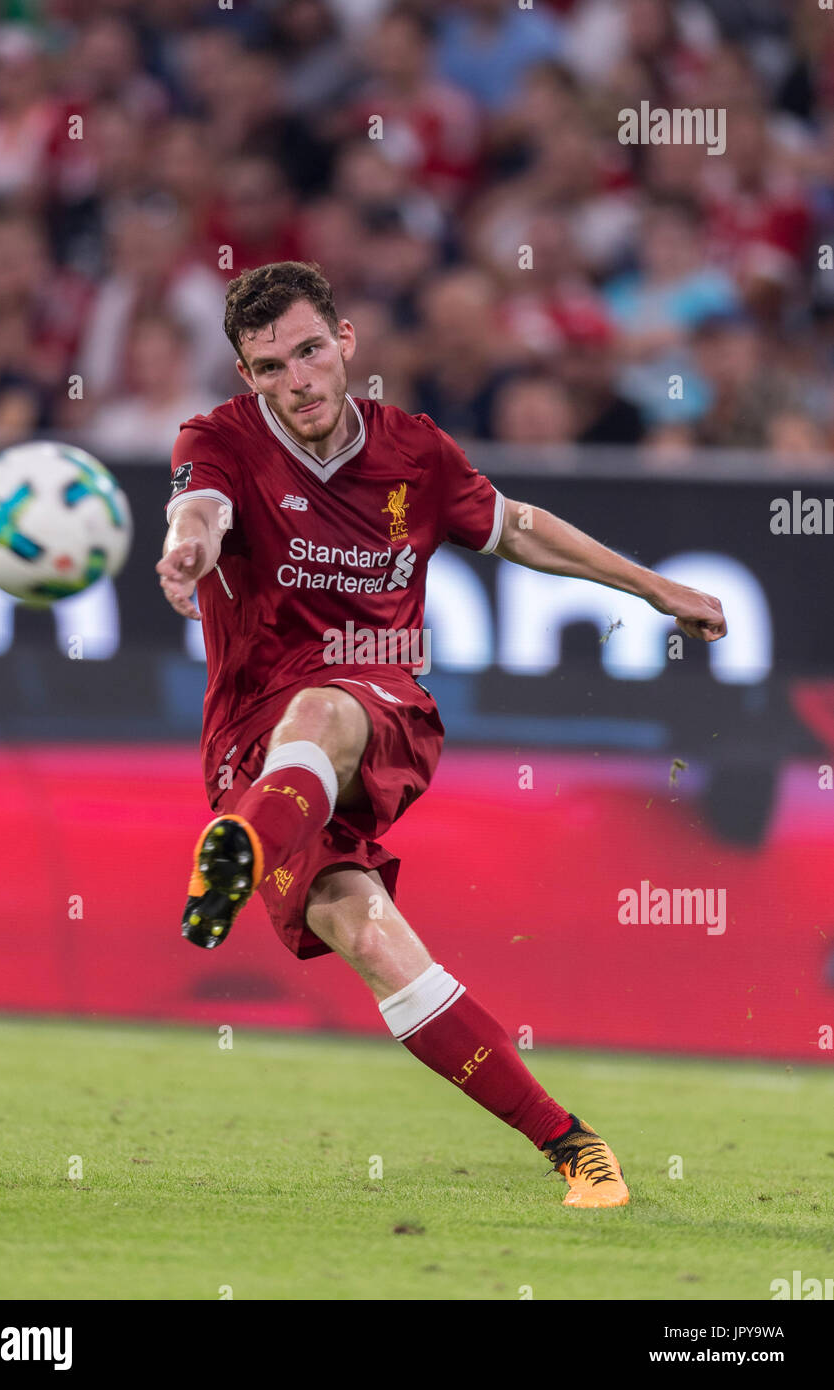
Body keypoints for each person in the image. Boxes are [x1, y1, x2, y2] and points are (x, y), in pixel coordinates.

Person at [156, 261, 727, 1210]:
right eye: (269, 367)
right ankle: (574, 1147)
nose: (296, 380)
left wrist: (654, 586)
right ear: (246, 377)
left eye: (308, 351)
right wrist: (187, 549)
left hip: (378, 706)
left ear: (344, 342)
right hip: (248, 751)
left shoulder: (414, 453)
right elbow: (200, 510)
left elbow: (521, 530)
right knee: (369, 935)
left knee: (326, 708)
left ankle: (245, 847)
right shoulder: (214, 439)